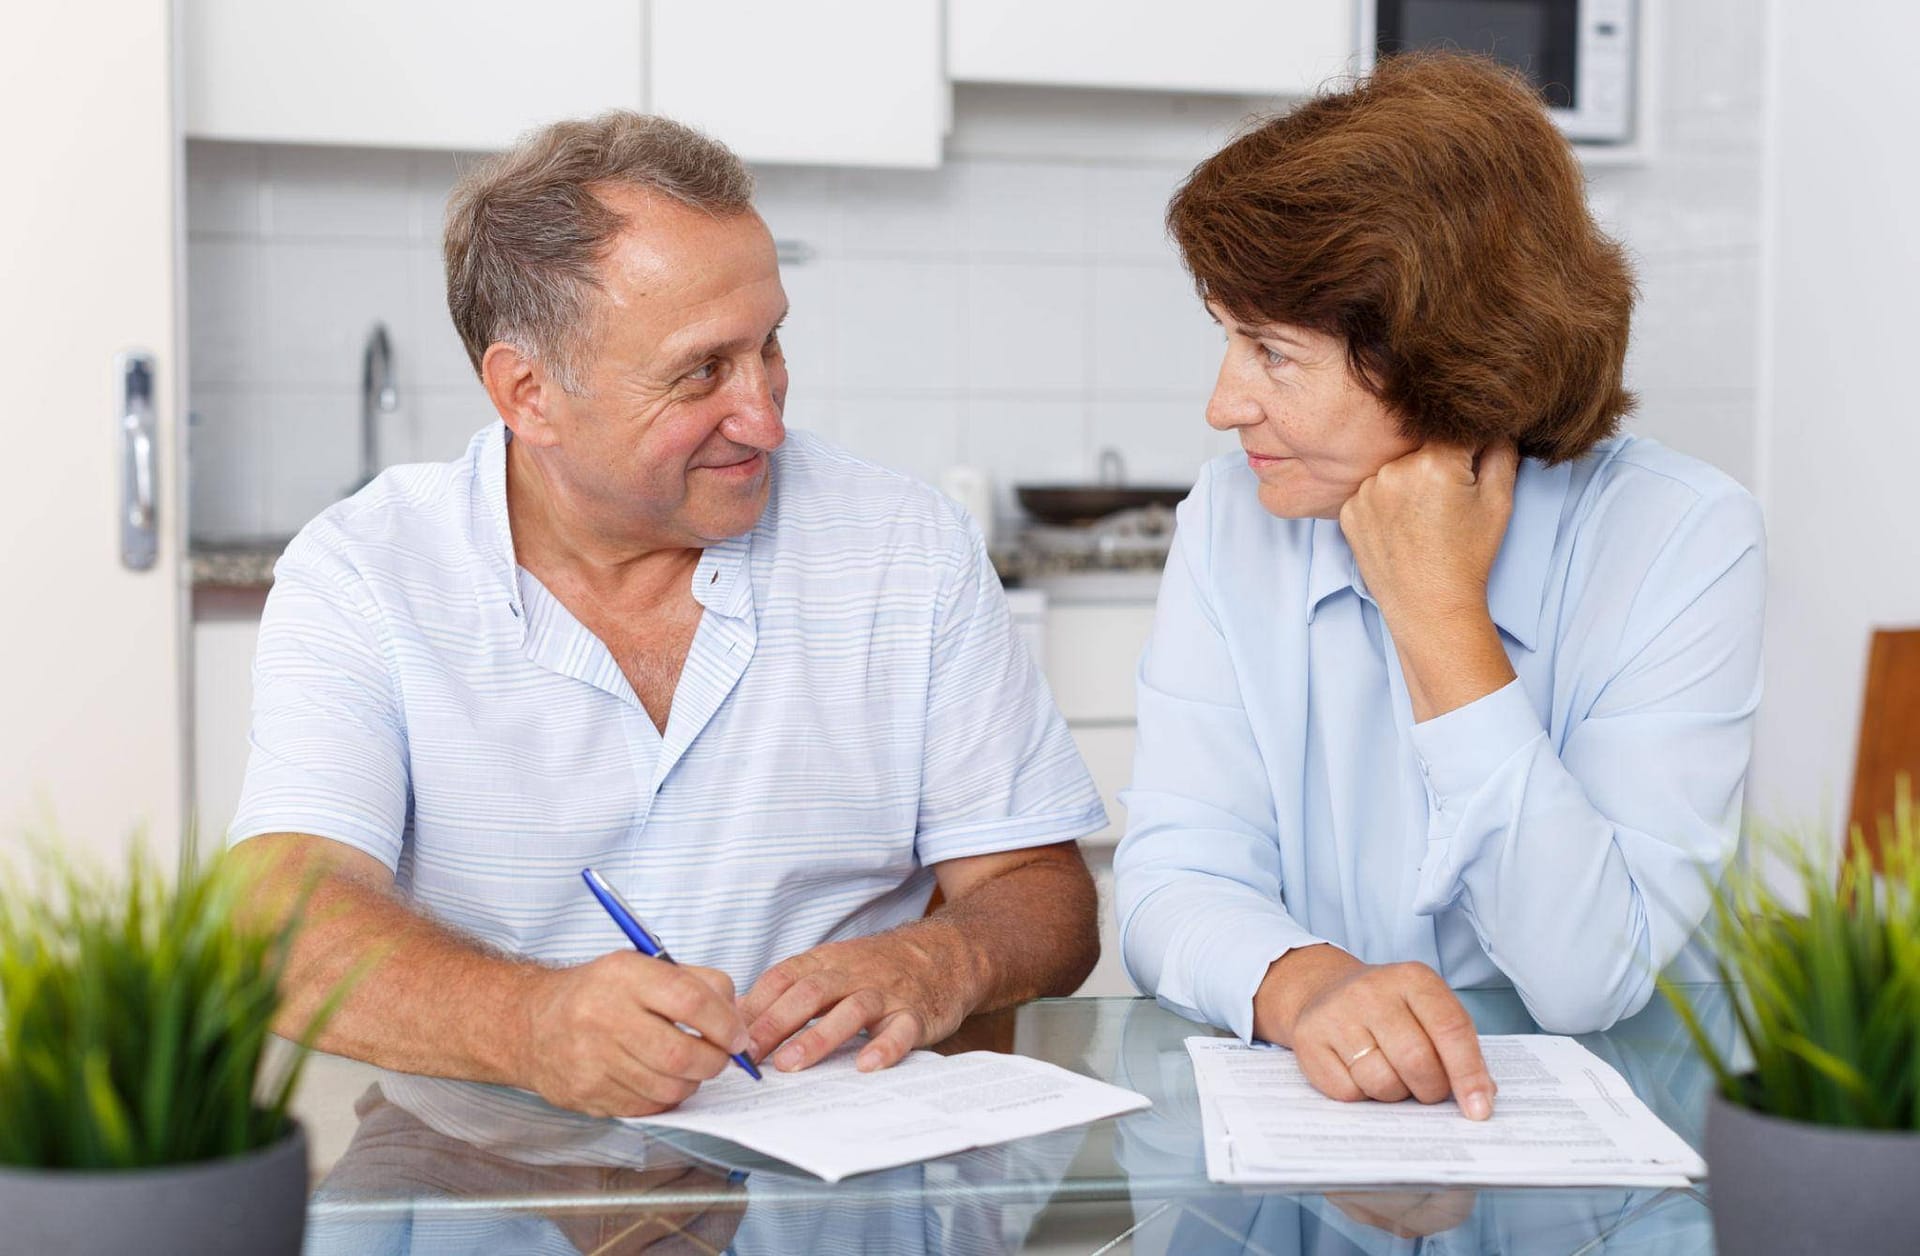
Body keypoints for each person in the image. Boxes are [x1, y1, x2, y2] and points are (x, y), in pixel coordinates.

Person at [229, 112, 1106, 1118]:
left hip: (845, 1164)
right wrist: (533, 1025)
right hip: (486, 1166)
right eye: (701, 371)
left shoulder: (905, 544)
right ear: (529, 392)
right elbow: (276, 921)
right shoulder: (366, 573)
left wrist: (940, 955)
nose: (767, 416)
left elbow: (1048, 896)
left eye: (770, 345)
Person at [1113, 53, 1765, 1118]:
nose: (1223, 404)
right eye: (1228, 338)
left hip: (1609, 1151)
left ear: (1444, 358)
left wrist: (1440, 615)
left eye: (1273, 353)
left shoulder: (1684, 539)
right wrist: (1304, 981)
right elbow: (1171, 873)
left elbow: (1585, 979)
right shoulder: (1233, 519)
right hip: (1320, 1123)